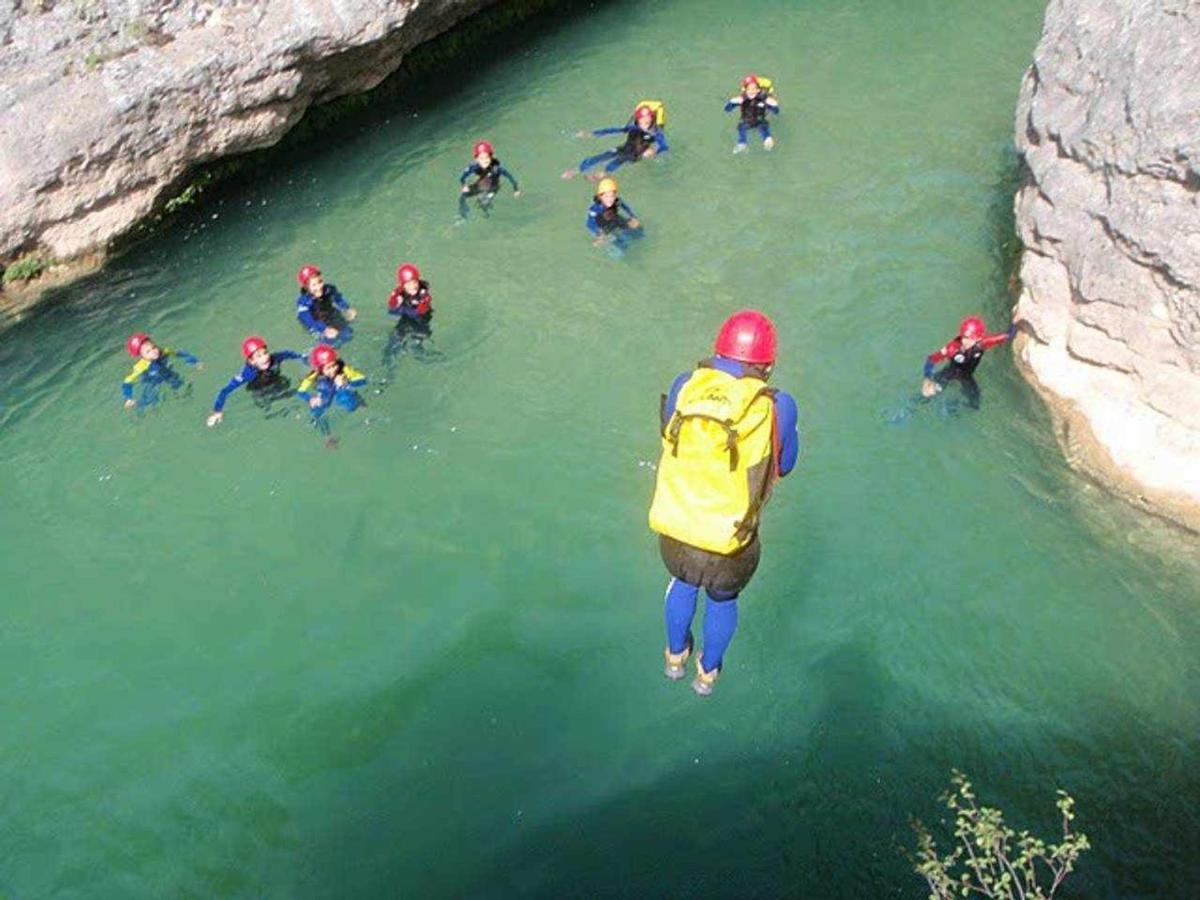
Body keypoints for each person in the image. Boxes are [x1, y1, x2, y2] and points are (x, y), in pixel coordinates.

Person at [648, 310, 800, 696]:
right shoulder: (778, 405)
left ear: (718, 351)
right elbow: (786, 464)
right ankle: (707, 676)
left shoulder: (685, 385)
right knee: (721, 599)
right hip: (731, 544)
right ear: (767, 364)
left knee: (683, 583)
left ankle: (674, 658)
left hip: (677, 532)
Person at [921, 315, 1017, 409]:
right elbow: (931, 359)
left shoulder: (982, 344)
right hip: (949, 373)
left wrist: (1015, 320)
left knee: (975, 404)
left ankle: (954, 406)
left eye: (970, 338)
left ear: (978, 338)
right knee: (927, 396)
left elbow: (1008, 336)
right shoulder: (952, 347)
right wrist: (927, 379)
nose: (965, 341)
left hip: (966, 376)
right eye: (964, 337)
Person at [206, 336, 304, 427]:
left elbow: (289, 354)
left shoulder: (275, 358)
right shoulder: (247, 374)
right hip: (260, 390)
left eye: (265, 353)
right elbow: (225, 391)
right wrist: (217, 411)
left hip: (277, 381)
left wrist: (303, 358)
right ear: (251, 361)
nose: (265, 358)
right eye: (259, 356)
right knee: (267, 408)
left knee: (291, 391)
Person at [564, 102, 669, 179]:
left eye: (648, 116)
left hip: (636, 155)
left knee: (618, 161)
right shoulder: (633, 128)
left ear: (652, 118)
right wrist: (592, 134)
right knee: (603, 156)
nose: (646, 119)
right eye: (642, 117)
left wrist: (654, 151)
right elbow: (614, 130)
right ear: (637, 119)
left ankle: (603, 174)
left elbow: (664, 147)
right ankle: (576, 171)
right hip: (623, 148)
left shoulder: (656, 133)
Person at [121, 332, 201, 409]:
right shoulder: (141, 366)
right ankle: (135, 404)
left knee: (181, 385)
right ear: (141, 356)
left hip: (167, 373)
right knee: (152, 400)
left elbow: (179, 354)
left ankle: (184, 401)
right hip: (152, 380)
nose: (154, 352)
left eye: (154, 347)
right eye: (148, 352)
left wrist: (195, 361)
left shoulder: (164, 352)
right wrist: (128, 397)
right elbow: (127, 381)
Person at [297, 344, 367, 414]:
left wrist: (346, 383)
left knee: (344, 397)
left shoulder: (343, 368)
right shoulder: (314, 375)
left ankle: (357, 407)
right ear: (319, 369)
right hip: (326, 390)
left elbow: (362, 380)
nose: (333, 369)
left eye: (334, 365)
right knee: (317, 408)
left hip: (342, 388)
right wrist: (310, 399)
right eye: (328, 368)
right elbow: (300, 391)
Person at [295, 264, 357, 344]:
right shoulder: (304, 302)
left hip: (329, 313)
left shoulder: (329, 289)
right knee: (329, 342)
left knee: (348, 334)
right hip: (315, 321)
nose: (319, 287)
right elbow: (306, 318)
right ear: (306, 288)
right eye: (314, 285)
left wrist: (347, 309)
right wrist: (324, 329)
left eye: (320, 282)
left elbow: (338, 299)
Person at [458, 140, 520, 219]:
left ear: (491, 157)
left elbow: (510, 177)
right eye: (481, 158)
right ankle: (463, 210)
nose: (484, 160)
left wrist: (516, 189)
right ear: (476, 159)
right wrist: (464, 185)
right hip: (480, 184)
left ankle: (486, 212)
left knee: (483, 202)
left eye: (487, 157)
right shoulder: (473, 167)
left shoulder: (497, 168)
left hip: (493, 187)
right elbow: (462, 177)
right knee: (463, 195)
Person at [725, 75, 779, 153]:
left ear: (758, 90)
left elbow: (775, 112)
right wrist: (731, 102)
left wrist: (774, 106)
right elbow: (727, 110)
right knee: (741, 128)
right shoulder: (741, 99)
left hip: (760, 121)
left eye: (754, 89)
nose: (752, 91)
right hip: (746, 121)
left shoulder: (765, 99)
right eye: (749, 89)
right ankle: (742, 143)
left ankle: (767, 139)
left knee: (763, 128)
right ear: (745, 90)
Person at [586, 177, 642, 248]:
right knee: (621, 245)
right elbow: (589, 223)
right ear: (600, 197)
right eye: (606, 196)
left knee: (638, 233)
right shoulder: (595, 209)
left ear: (615, 195)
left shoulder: (617, 201)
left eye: (612, 196)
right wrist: (599, 234)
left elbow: (626, 208)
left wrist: (633, 217)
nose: (610, 199)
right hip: (603, 226)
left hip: (615, 219)